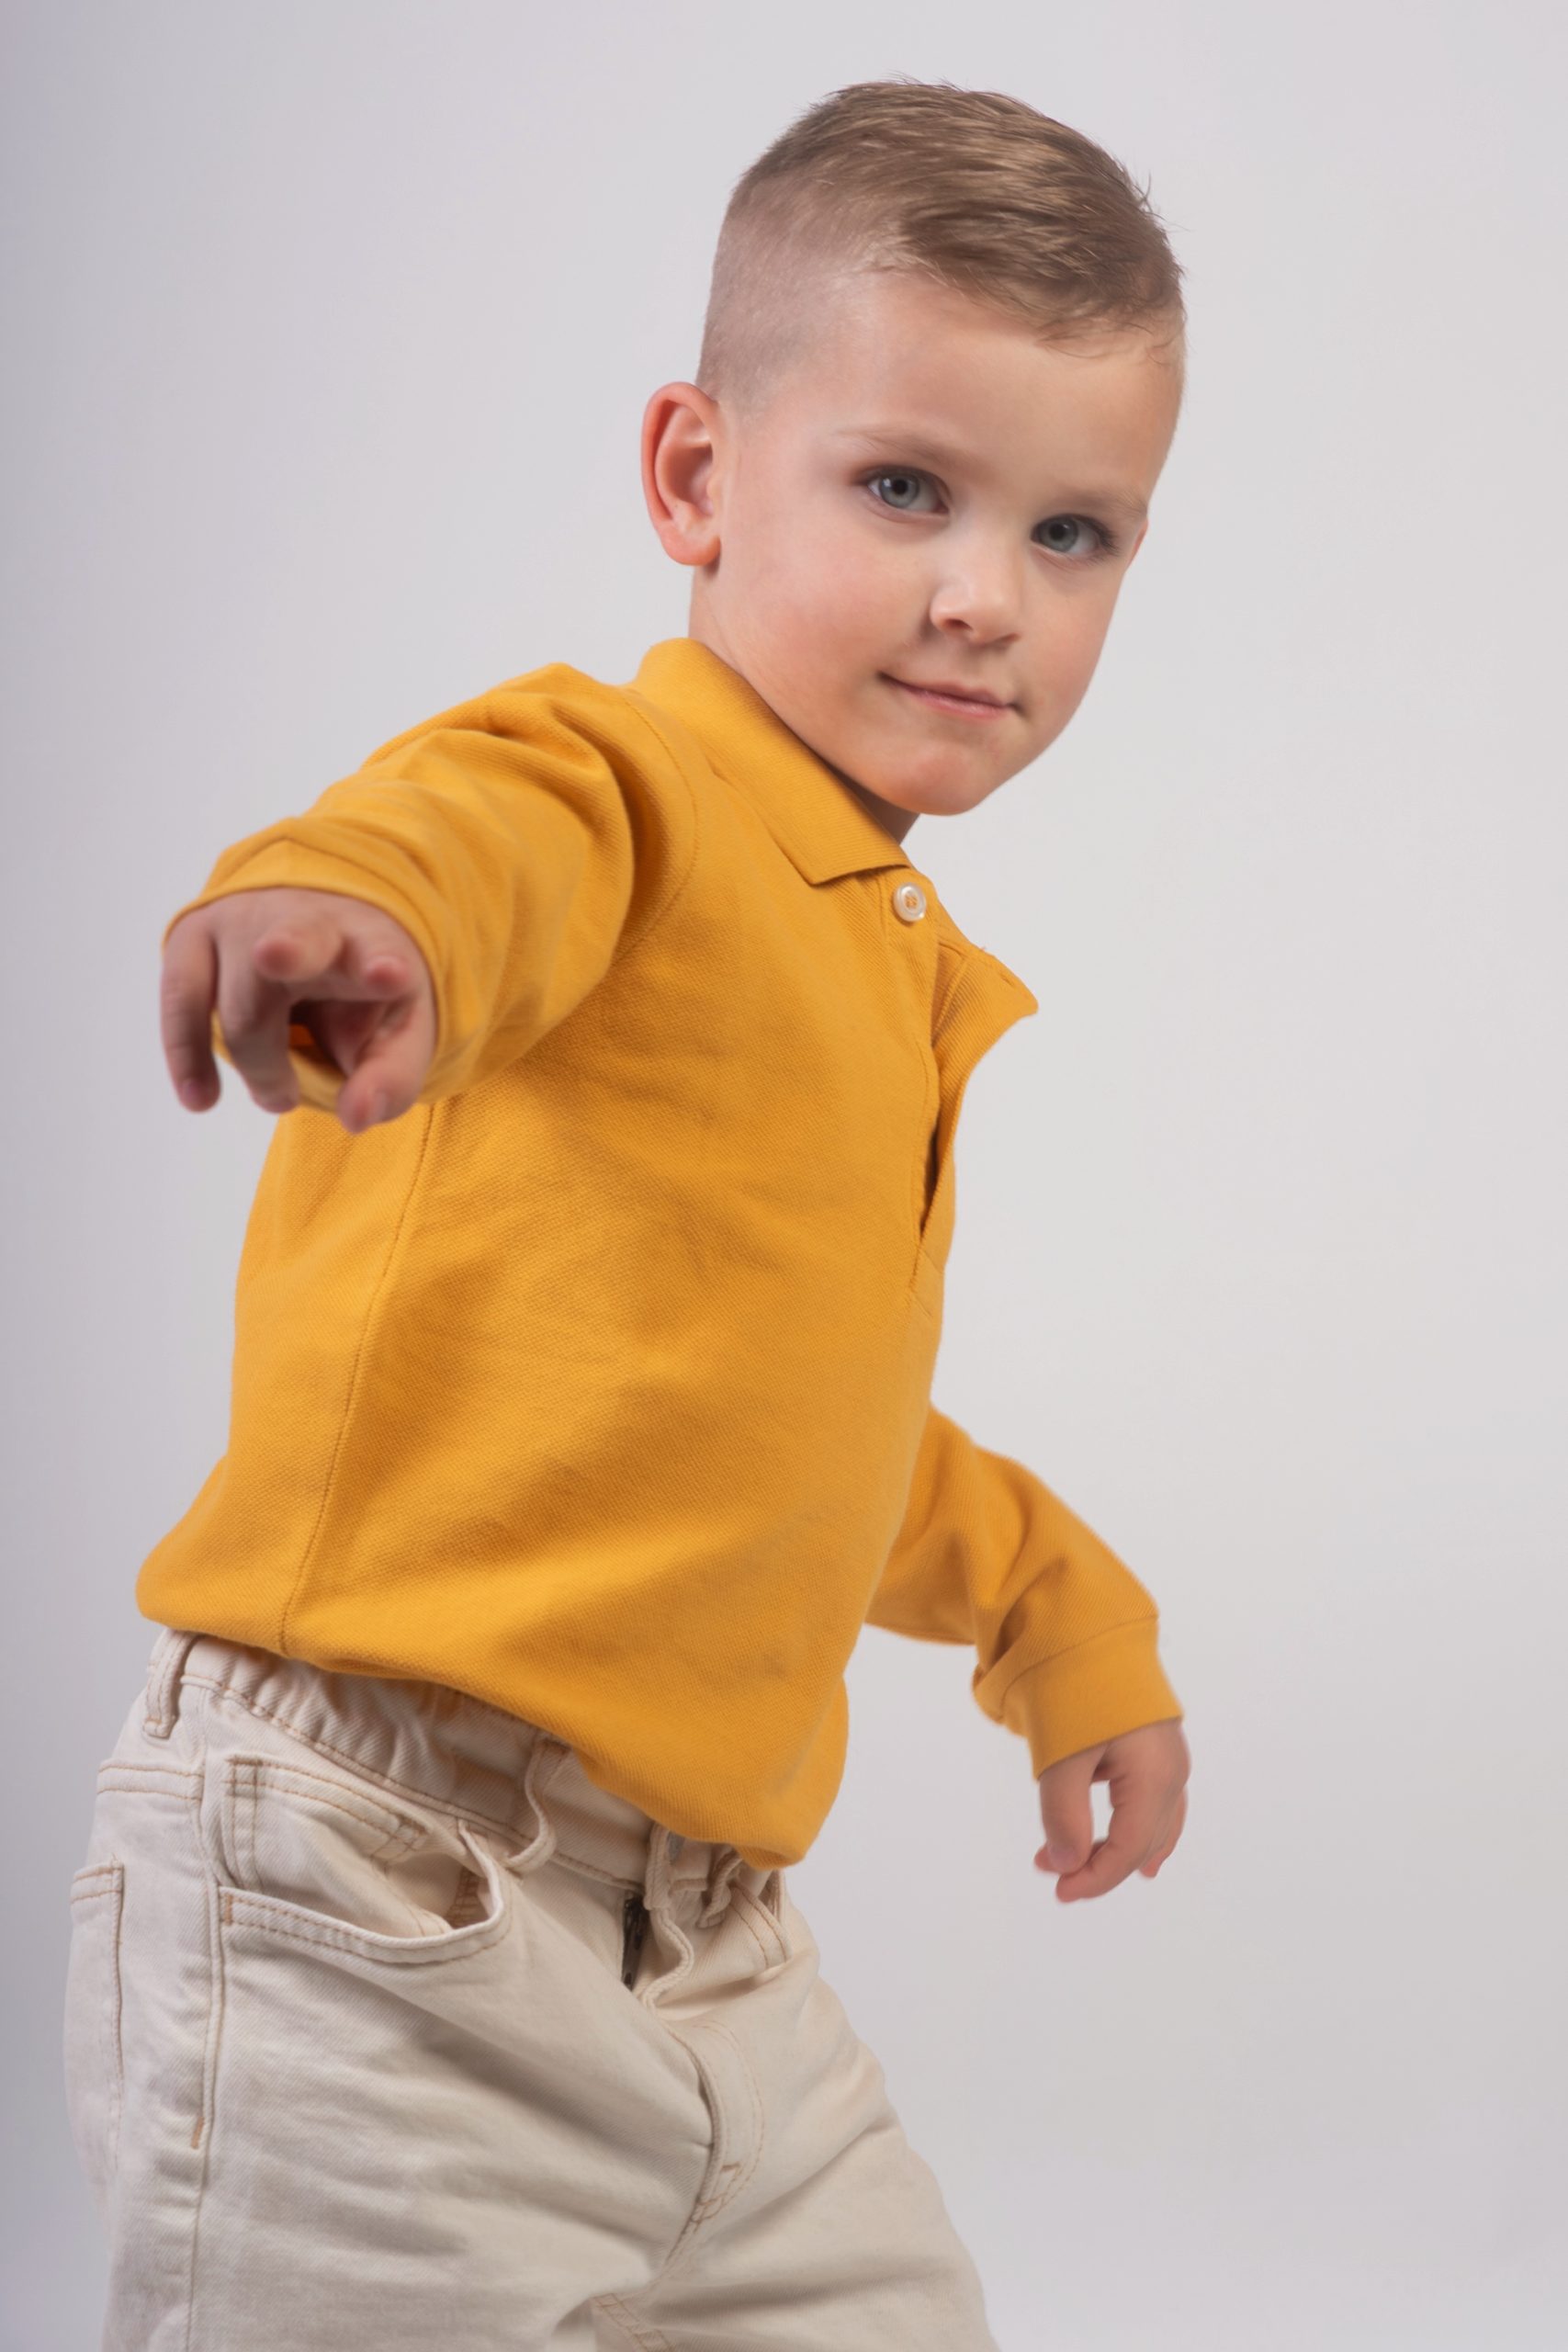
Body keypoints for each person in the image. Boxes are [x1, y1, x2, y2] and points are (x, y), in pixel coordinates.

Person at [63, 75, 1192, 2351]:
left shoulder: (872, 950)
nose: (984, 593)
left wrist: (1057, 1608)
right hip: (376, 1891)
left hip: (708, 1961)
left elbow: (779, 1425)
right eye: (903, 488)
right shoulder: (624, 785)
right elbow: (465, 829)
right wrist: (348, 908)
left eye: (1073, 532)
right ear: (694, 475)